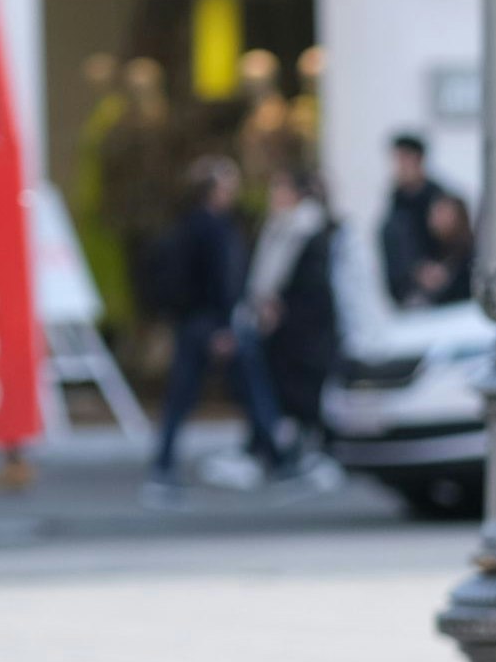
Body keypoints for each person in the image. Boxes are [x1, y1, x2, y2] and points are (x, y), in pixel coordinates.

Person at [143, 155, 288, 505]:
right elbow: (217, 282)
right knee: (245, 390)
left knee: (202, 394)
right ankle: (280, 458)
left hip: (201, 323)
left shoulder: (194, 225)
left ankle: (274, 455)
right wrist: (222, 325)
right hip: (211, 323)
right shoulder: (210, 228)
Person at [251, 161, 346, 485]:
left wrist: (279, 306)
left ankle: (311, 455)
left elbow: (312, 286)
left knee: (307, 395)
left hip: (306, 332)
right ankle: (281, 453)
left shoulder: (307, 229)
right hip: (287, 330)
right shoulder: (281, 226)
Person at [379, 132, 463, 308]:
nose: (400, 166)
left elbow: (458, 241)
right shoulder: (396, 202)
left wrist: (440, 270)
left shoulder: (438, 199)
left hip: (443, 295)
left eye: (404, 159)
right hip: (409, 295)